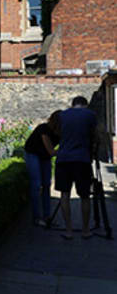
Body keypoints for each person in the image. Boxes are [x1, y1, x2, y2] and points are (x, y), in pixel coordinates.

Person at [55, 96, 97, 240]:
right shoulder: (90, 115)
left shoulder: (62, 115)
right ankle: (85, 230)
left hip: (63, 159)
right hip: (82, 159)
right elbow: (96, 135)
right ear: (84, 105)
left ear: (72, 105)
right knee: (85, 196)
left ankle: (69, 230)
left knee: (65, 194)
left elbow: (58, 134)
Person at [23, 111, 61, 227]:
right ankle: (37, 218)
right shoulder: (44, 129)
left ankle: (47, 216)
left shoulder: (60, 133)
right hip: (32, 154)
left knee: (46, 184)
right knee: (36, 184)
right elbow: (51, 151)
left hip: (44, 156)